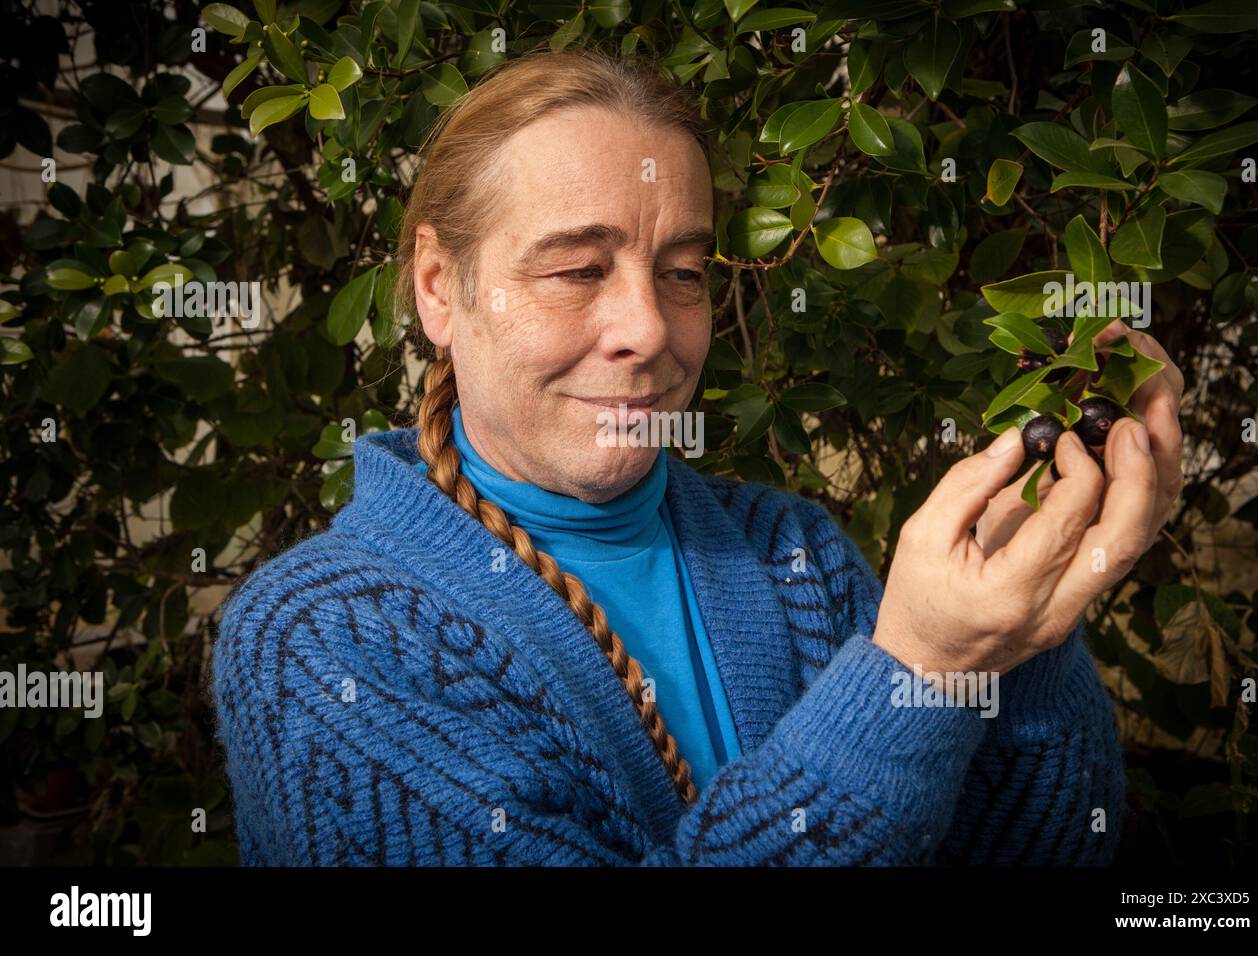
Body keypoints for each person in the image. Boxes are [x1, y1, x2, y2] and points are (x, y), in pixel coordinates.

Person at [210, 48, 1185, 865]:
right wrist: (913, 675)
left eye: (681, 271)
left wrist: (1023, 628)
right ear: (437, 287)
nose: (647, 326)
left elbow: (1029, 852)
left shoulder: (787, 548)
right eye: (576, 269)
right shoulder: (321, 641)